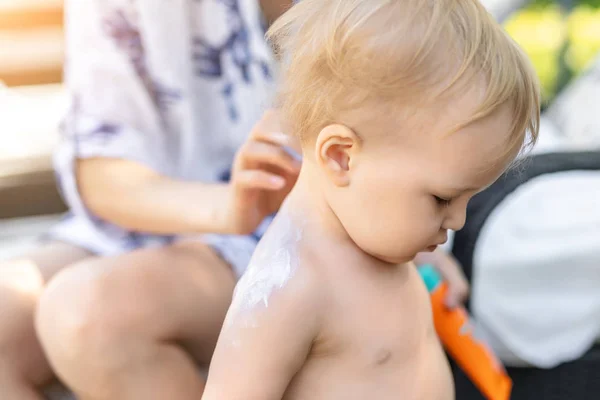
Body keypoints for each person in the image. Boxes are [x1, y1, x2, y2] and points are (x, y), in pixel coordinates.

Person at [201, 0, 540, 399]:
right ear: (341, 157)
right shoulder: (290, 287)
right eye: (441, 199)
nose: (458, 221)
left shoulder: (377, 236)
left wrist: (429, 260)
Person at [0, 1, 298, 399]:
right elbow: (105, 173)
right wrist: (228, 206)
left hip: (301, 220)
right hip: (177, 212)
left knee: (92, 316)